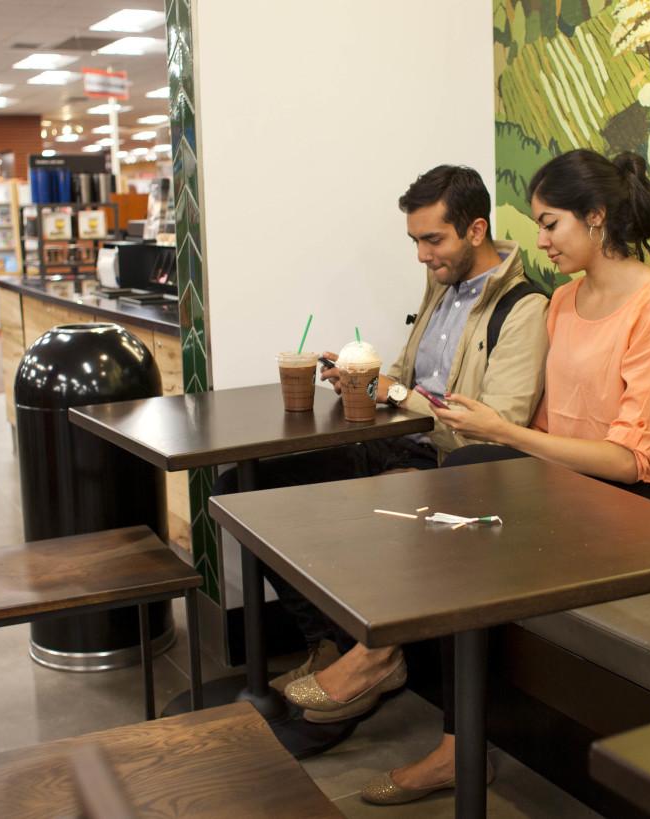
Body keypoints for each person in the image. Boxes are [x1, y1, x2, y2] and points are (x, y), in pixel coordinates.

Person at [287, 149, 650, 805]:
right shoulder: (566, 301)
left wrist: (503, 433)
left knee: (468, 473)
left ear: (596, 219)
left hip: (646, 499)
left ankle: (410, 689)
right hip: (572, 479)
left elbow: (630, 458)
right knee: (458, 486)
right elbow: (549, 423)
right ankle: (400, 678)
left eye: (550, 224)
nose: (538, 241)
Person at [217, 165, 549, 700]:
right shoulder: (443, 284)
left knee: (349, 515)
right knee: (240, 492)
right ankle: (330, 642)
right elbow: (407, 373)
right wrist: (359, 384)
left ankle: (368, 666)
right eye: (415, 240)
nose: (421, 254)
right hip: (394, 444)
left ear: (476, 230)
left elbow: (497, 430)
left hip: (450, 463)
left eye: (432, 239)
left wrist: (391, 392)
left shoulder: (523, 308)